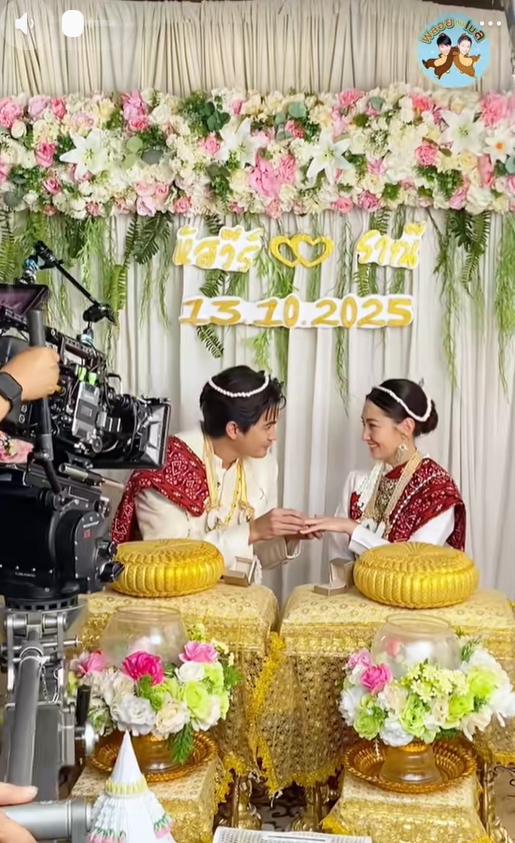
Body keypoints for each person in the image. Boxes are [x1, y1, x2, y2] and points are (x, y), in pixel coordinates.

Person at [112, 366, 314, 574]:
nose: (274, 436)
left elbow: (254, 554)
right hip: (180, 590)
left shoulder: (265, 466)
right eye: (267, 427)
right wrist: (252, 530)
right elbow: (171, 561)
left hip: (238, 591)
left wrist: (285, 537)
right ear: (233, 429)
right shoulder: (164, 469)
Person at [302, 380, 466, 572]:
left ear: (406, 427)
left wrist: (351, 528)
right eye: (364, 424)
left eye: (372, 425)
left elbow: (413, 565)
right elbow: (339, 564)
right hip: (353, 591)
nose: (364, 435)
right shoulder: (358, 482)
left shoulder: (437, 491)